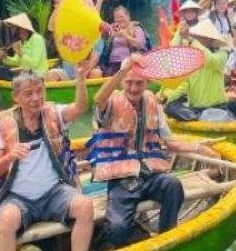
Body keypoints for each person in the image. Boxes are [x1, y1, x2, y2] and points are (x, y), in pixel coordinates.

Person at [90, 55, 219, 246]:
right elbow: (98, 100)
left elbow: (170, 142)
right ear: (122, 82)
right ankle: (128, 237)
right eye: (129, 83)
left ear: (147, 83)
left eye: (139, 83)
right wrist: (122, 71)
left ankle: (165, 238)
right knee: (117, 229)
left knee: (172, 184)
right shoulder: (111, 103)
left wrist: (202, 149)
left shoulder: (153, 104)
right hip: (122, 181)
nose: (134, 88)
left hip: (150, 176)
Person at [0, 64, 95, 251]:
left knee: (85, 206)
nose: (36, 98)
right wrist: (9, 157)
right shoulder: (2, 124)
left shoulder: (52, 113)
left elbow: (80, 107)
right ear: (16, 97)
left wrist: (81, 79)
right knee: (7, 219)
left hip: (53, 193)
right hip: (18, 198)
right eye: (29, 94)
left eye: (39, 91)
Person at [159, 18, 231, 121]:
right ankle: (195, 118)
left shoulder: (221, 55)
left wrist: (192, 40)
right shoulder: (191, 59)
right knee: (170, 107)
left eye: (198, 37)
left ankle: (197, 119)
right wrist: (166, 97)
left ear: (209, 39)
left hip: (217, 107)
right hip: (196, 109)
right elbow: (183, 85)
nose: (195, 39)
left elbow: (210, 59)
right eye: (195, 36)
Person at [99, 5, 148, 77]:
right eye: (117, 18)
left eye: (121, 17)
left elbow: (140, 45)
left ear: (128, 17)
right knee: (97, 72)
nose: (119, 19)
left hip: (130, 63)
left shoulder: (137, 29)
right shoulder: (112, 28)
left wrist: (125, 35)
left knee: (124, 69)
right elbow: (101, 28)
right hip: (113, 64)